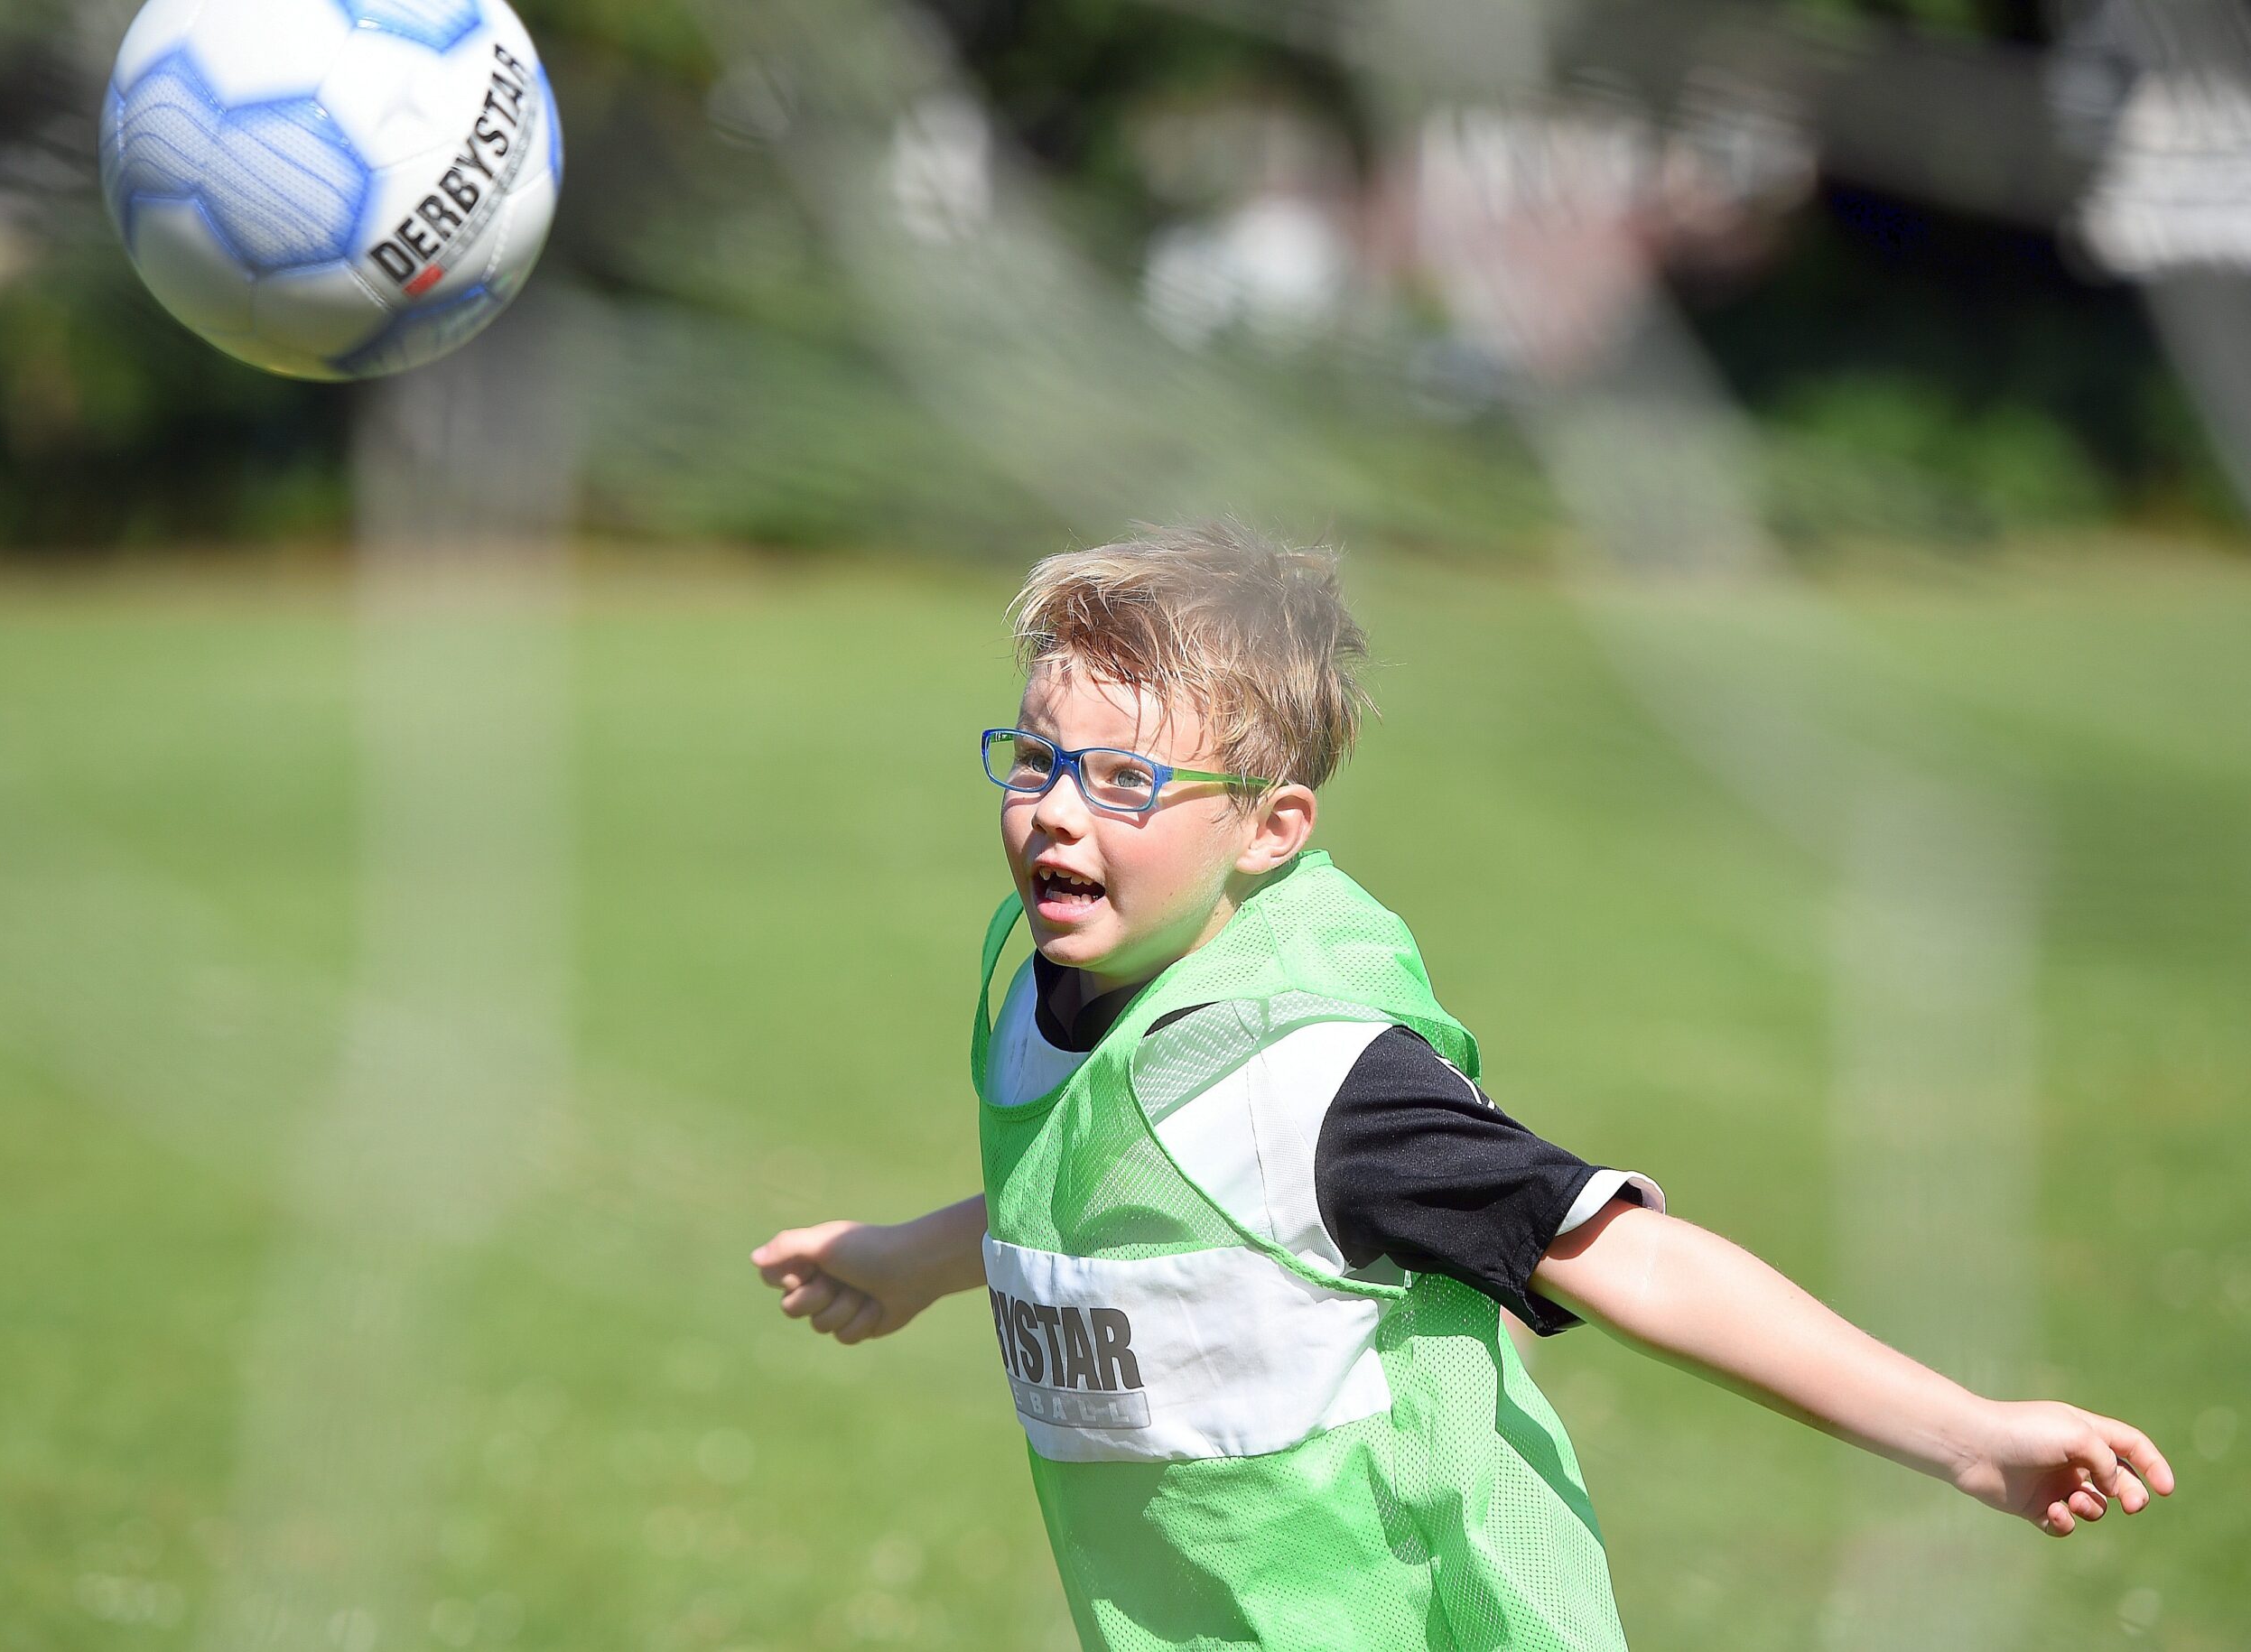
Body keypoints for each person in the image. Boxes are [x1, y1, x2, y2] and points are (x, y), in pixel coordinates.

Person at [749, 522, 2173, 1651]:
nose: (1057, 808)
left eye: (1125, 777)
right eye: (1041, 761)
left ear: (1271, 827)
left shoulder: (1317, 1082)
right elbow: (1093, 1197)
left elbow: (1636, 1259)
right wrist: (908, 1260)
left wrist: (1969, 1437)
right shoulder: (1048, 994)